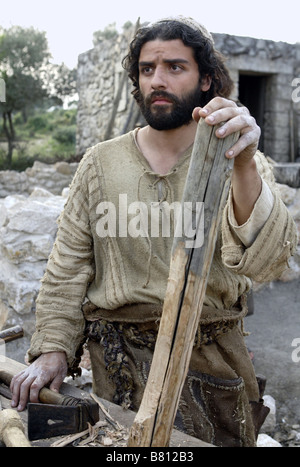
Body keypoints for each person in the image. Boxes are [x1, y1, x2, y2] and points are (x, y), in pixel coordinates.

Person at [10, 17, 297, 447]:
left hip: (212, 363)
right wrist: (52, 347)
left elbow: (267, 260)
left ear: (206, 80)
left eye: (175, 67)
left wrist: (241, 165)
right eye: (147, 69)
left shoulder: (240, 160)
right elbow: (67, 267)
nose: (157, 80)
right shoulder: (100, 164)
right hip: (119, 370)